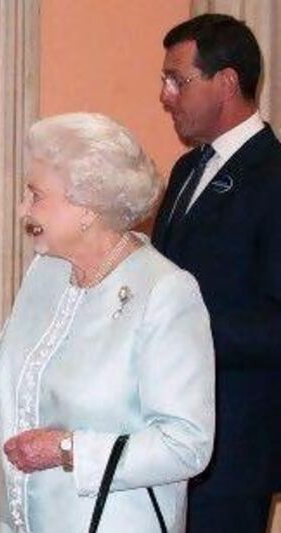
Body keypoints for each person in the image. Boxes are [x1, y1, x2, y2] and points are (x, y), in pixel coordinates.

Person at [0, 113, 215, 532]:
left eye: (35, 195)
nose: (23, 209)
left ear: (87, 207)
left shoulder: (165, 292)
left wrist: (68, 449)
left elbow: (186, 445)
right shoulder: (47, 271)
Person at [153, 13, 281, 532]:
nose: (165, 95)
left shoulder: (275, 178)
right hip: (166, 430)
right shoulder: (187, 169)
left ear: (226, 82)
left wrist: (178, 333)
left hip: (235, 440)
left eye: (177, 80)